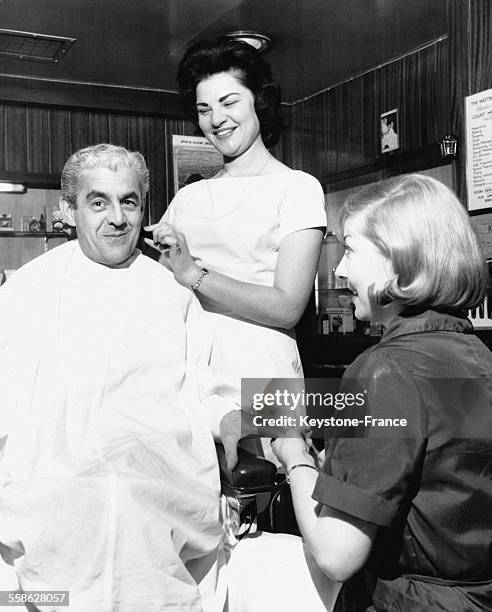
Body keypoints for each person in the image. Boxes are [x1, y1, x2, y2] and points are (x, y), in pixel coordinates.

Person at [0, 143, 254, 611]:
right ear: (68, 210)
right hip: (54, 490)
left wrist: (232, 420)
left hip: (156, 489)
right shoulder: (25, 293)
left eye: (129, 202)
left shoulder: (171, 294)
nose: (118, 218)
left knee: (137, 524)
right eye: (98, 202)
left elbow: (208, 388)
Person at [267, 174, 492, 610]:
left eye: (350, 249)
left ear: (398, 260)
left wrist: (294, 456)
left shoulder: (382, 371)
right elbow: (431, 452)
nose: (339, 269)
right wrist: (255, 409)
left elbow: (337, 554)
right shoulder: (476, 359)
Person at [145, 38, 326, 414]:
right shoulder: (190, 197)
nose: (216, 119)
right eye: (204, 109)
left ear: (259, 101)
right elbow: (161, 292)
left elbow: (288, 307)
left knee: (266, 468)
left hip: (261, 371)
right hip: (191, 369)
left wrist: (195, 275)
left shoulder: (298, 188)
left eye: (229, 103)